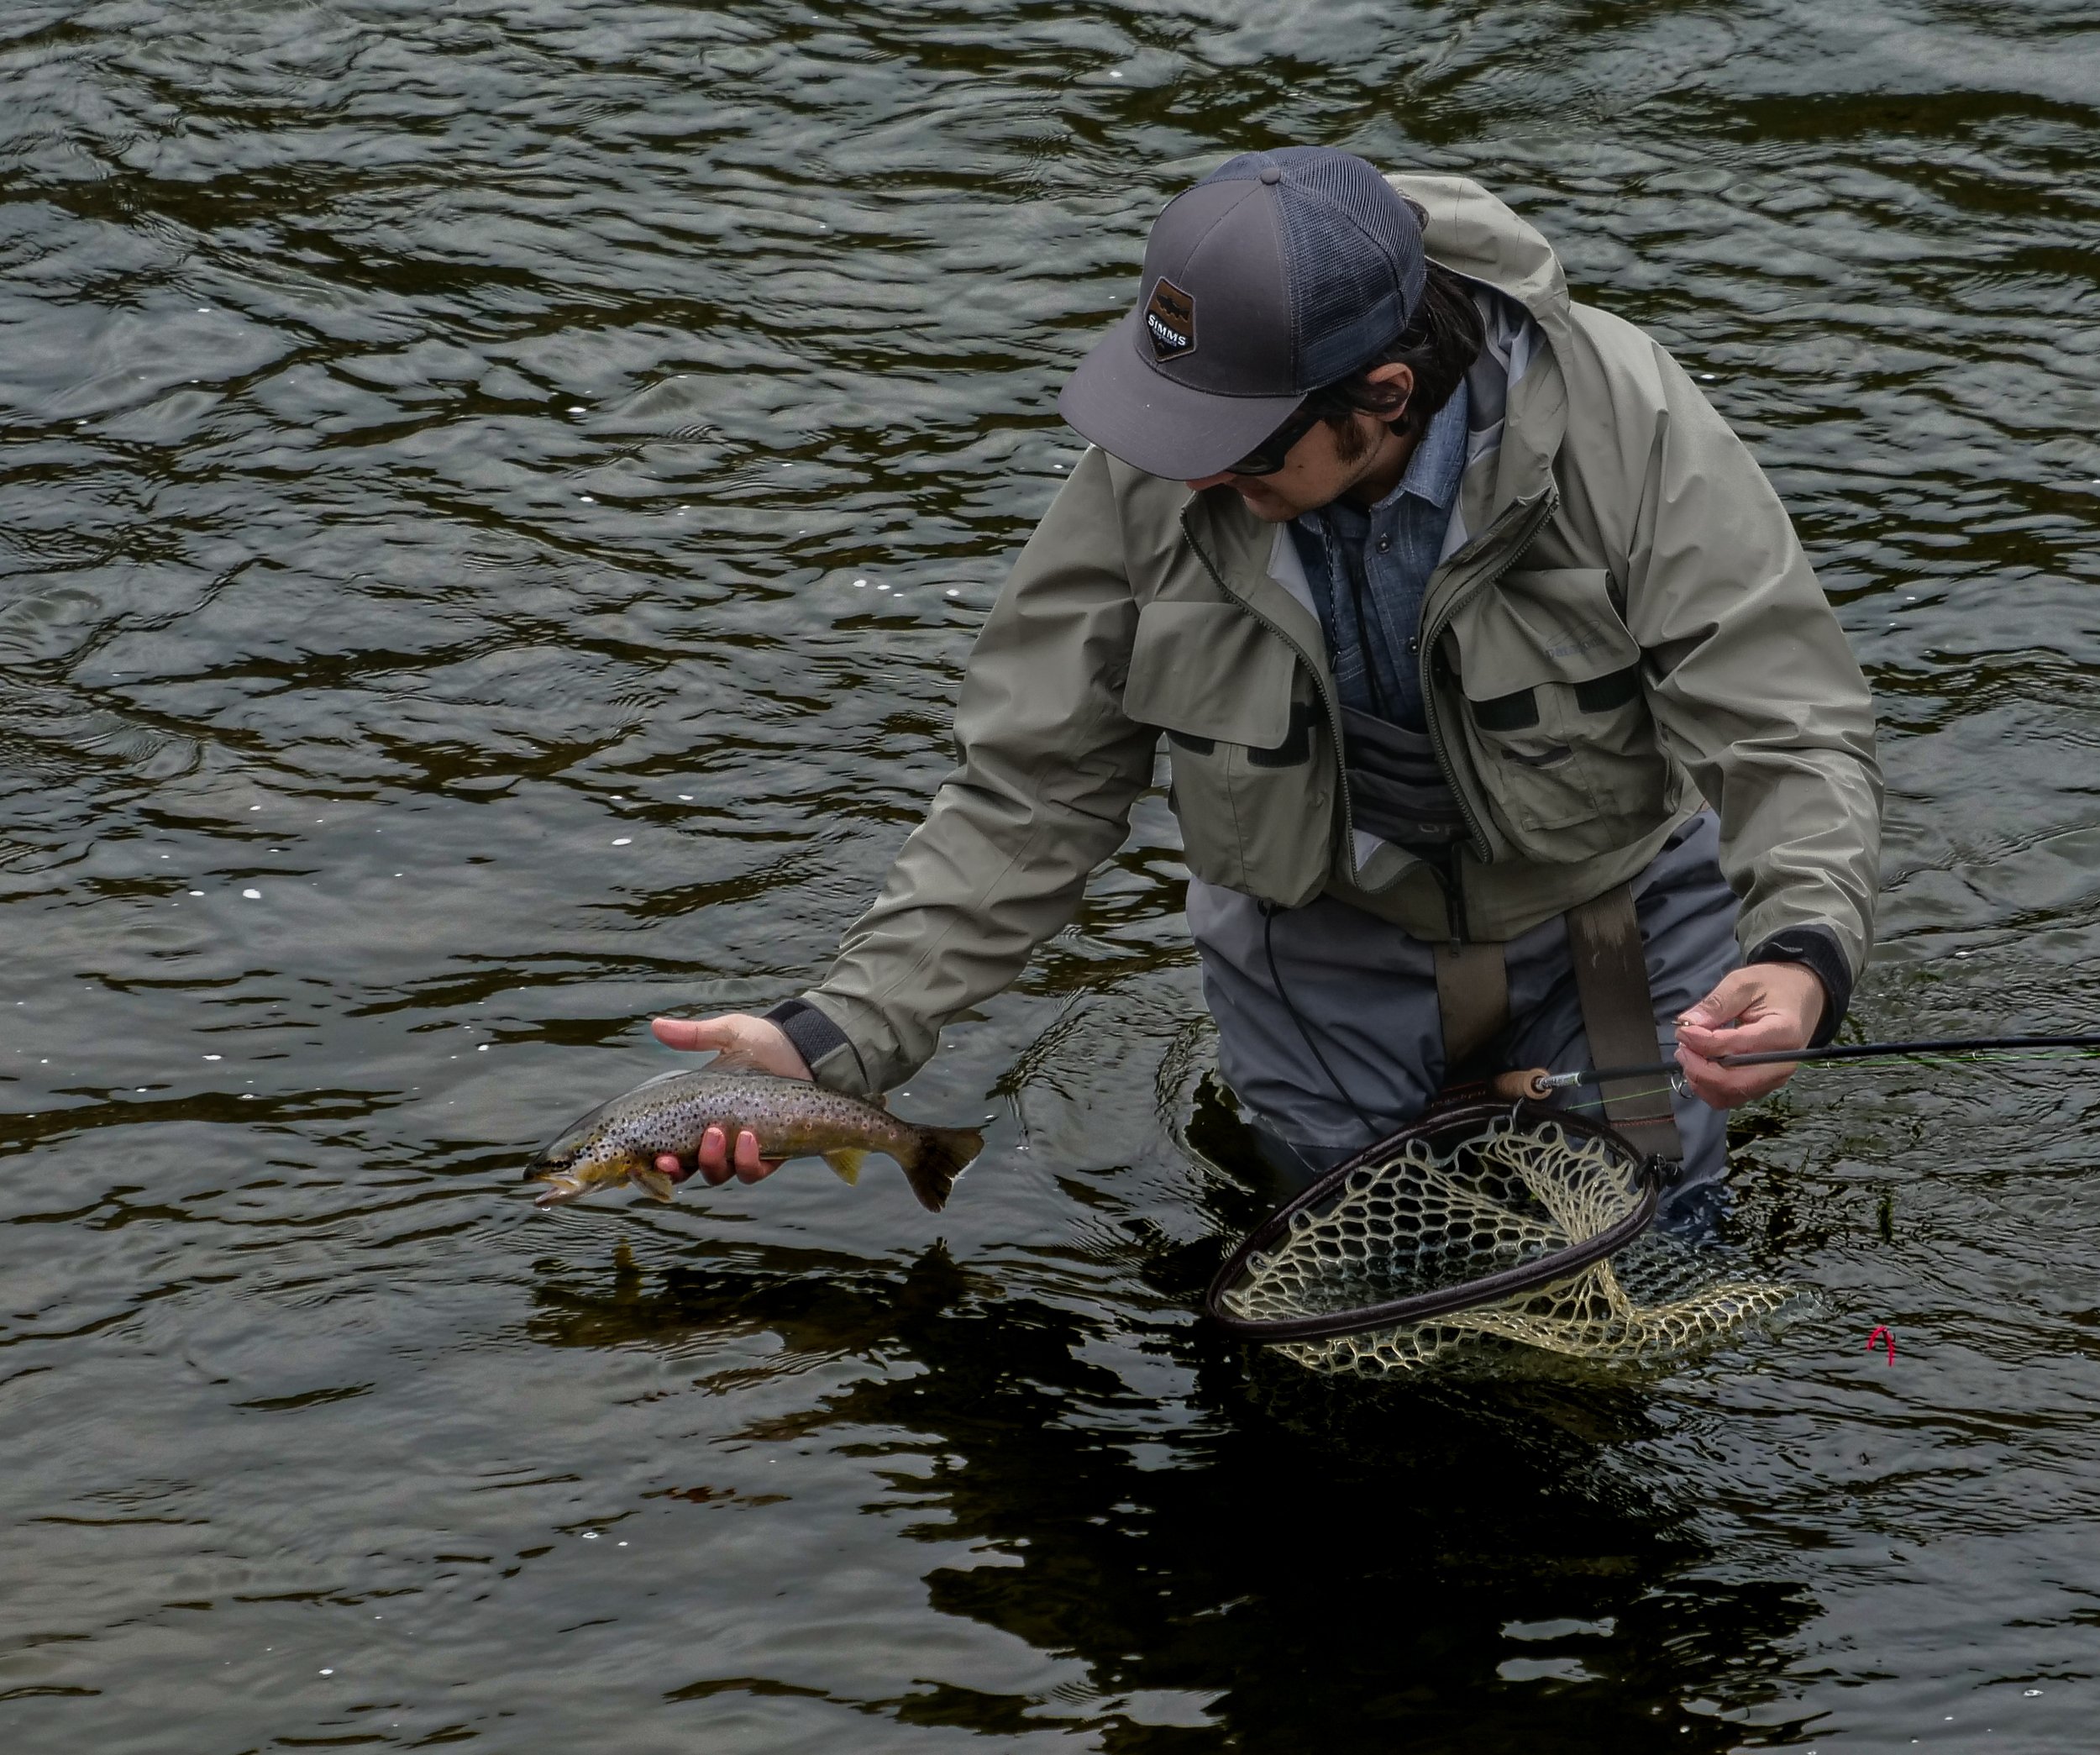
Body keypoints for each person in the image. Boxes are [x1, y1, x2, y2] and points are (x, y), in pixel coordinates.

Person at [650, 147, 1881, 1217]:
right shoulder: (1177, 443)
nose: (1188, 477)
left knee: (1653, 1246)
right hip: (1319, 956)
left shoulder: (1625, 420)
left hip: (1609, 923)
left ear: (1383, 398)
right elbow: (1029, 789)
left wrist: (1803, 950)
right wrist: (826, 1043)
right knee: (1373, 1307)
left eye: (1235, 451)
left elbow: (1788, 719)